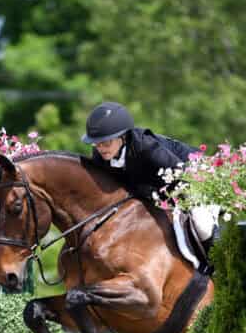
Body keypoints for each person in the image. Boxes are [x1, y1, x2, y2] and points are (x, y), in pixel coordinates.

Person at [82, 101, 220, 265]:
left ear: (122, 137)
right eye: (97, 143)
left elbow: (179, 177)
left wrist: (161, 200)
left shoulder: (146, 148)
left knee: (201, 223)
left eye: (106, 143)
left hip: (192, 177)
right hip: (156, 188)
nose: (101, 148)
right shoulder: (100, 156)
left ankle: (216, 267)